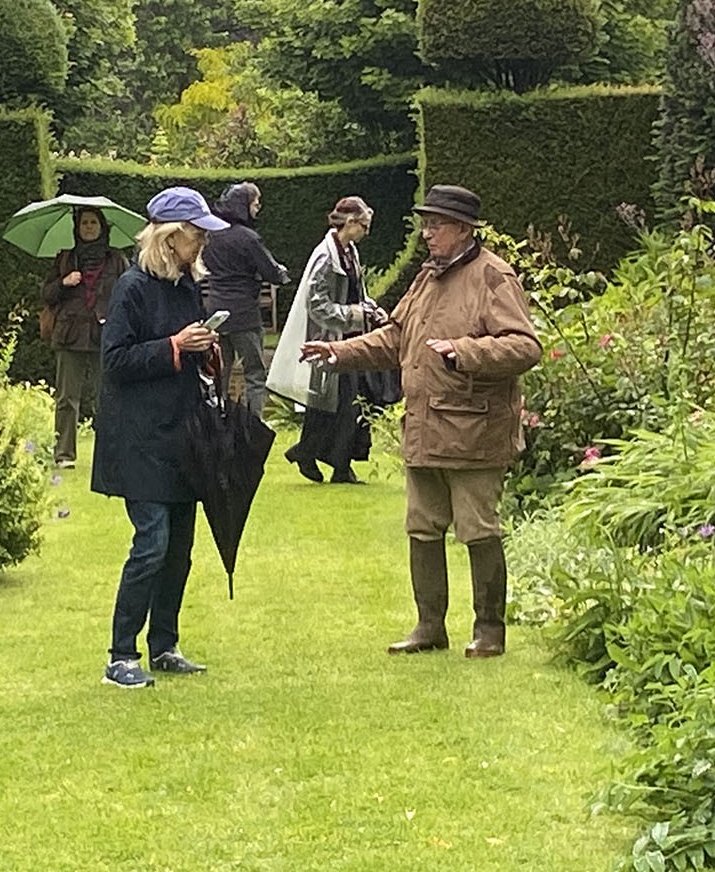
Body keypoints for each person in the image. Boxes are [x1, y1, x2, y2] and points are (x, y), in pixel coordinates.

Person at [302, 185, 540, 659]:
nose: (426, 233)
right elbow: (394, 338)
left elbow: (524, 346)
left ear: (463, 230)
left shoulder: (494, 277)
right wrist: (338, 351)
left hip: (475, 432)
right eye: (426, 222)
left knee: (478, 529)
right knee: (422, 527)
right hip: (426, 428)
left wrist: (465, 351)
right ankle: (429, 627)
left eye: (436, 224)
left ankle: (489, 632)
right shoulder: (428, 279)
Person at [90, 186, 229, 689]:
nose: (203, 247)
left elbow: (186, 355)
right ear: (171, 238)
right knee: (151, 544)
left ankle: (164, 645)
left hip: (180, 435)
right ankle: (120, 655)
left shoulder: (186, 286)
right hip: (138, 437)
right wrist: (173, 345)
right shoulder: (131, 287)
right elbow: (115, 361)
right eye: (197, 237)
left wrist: (204, 348)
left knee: (180, 549)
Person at [270, 195, 385, 484]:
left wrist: (371, 309)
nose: (366, 232)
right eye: (364, 225)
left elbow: (356, 291)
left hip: (347, 338)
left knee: (343, 404)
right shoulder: (325, 256)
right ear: (350, 222)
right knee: (338, 404)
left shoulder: (348, 251)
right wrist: (354, 315)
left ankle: (325, 459)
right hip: (329, 339)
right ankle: (324, 459)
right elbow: (317, 304)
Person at [40, 206, 129, 468]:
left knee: (108, 395)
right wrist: (64, 283)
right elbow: (46, 294)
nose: (89, 227)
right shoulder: (65, 258)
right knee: (68, 397)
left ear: (102, 227)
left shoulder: (116, 259)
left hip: (106, 335)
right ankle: (64, 454)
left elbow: (129, 293)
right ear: (76, 229)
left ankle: (110, 453)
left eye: (93, 222)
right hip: (70, 334)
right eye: (83, 223)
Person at [200, 182, 289, 417]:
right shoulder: (249, 238)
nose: (258, 208)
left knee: (219, 370)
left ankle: (216, 419)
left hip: (215, 310)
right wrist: (282, 273)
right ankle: (253, 425)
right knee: (254, 374)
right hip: (244, 315)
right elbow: (272, 272)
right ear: (245, 205)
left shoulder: (211, 236)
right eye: (256, 203)